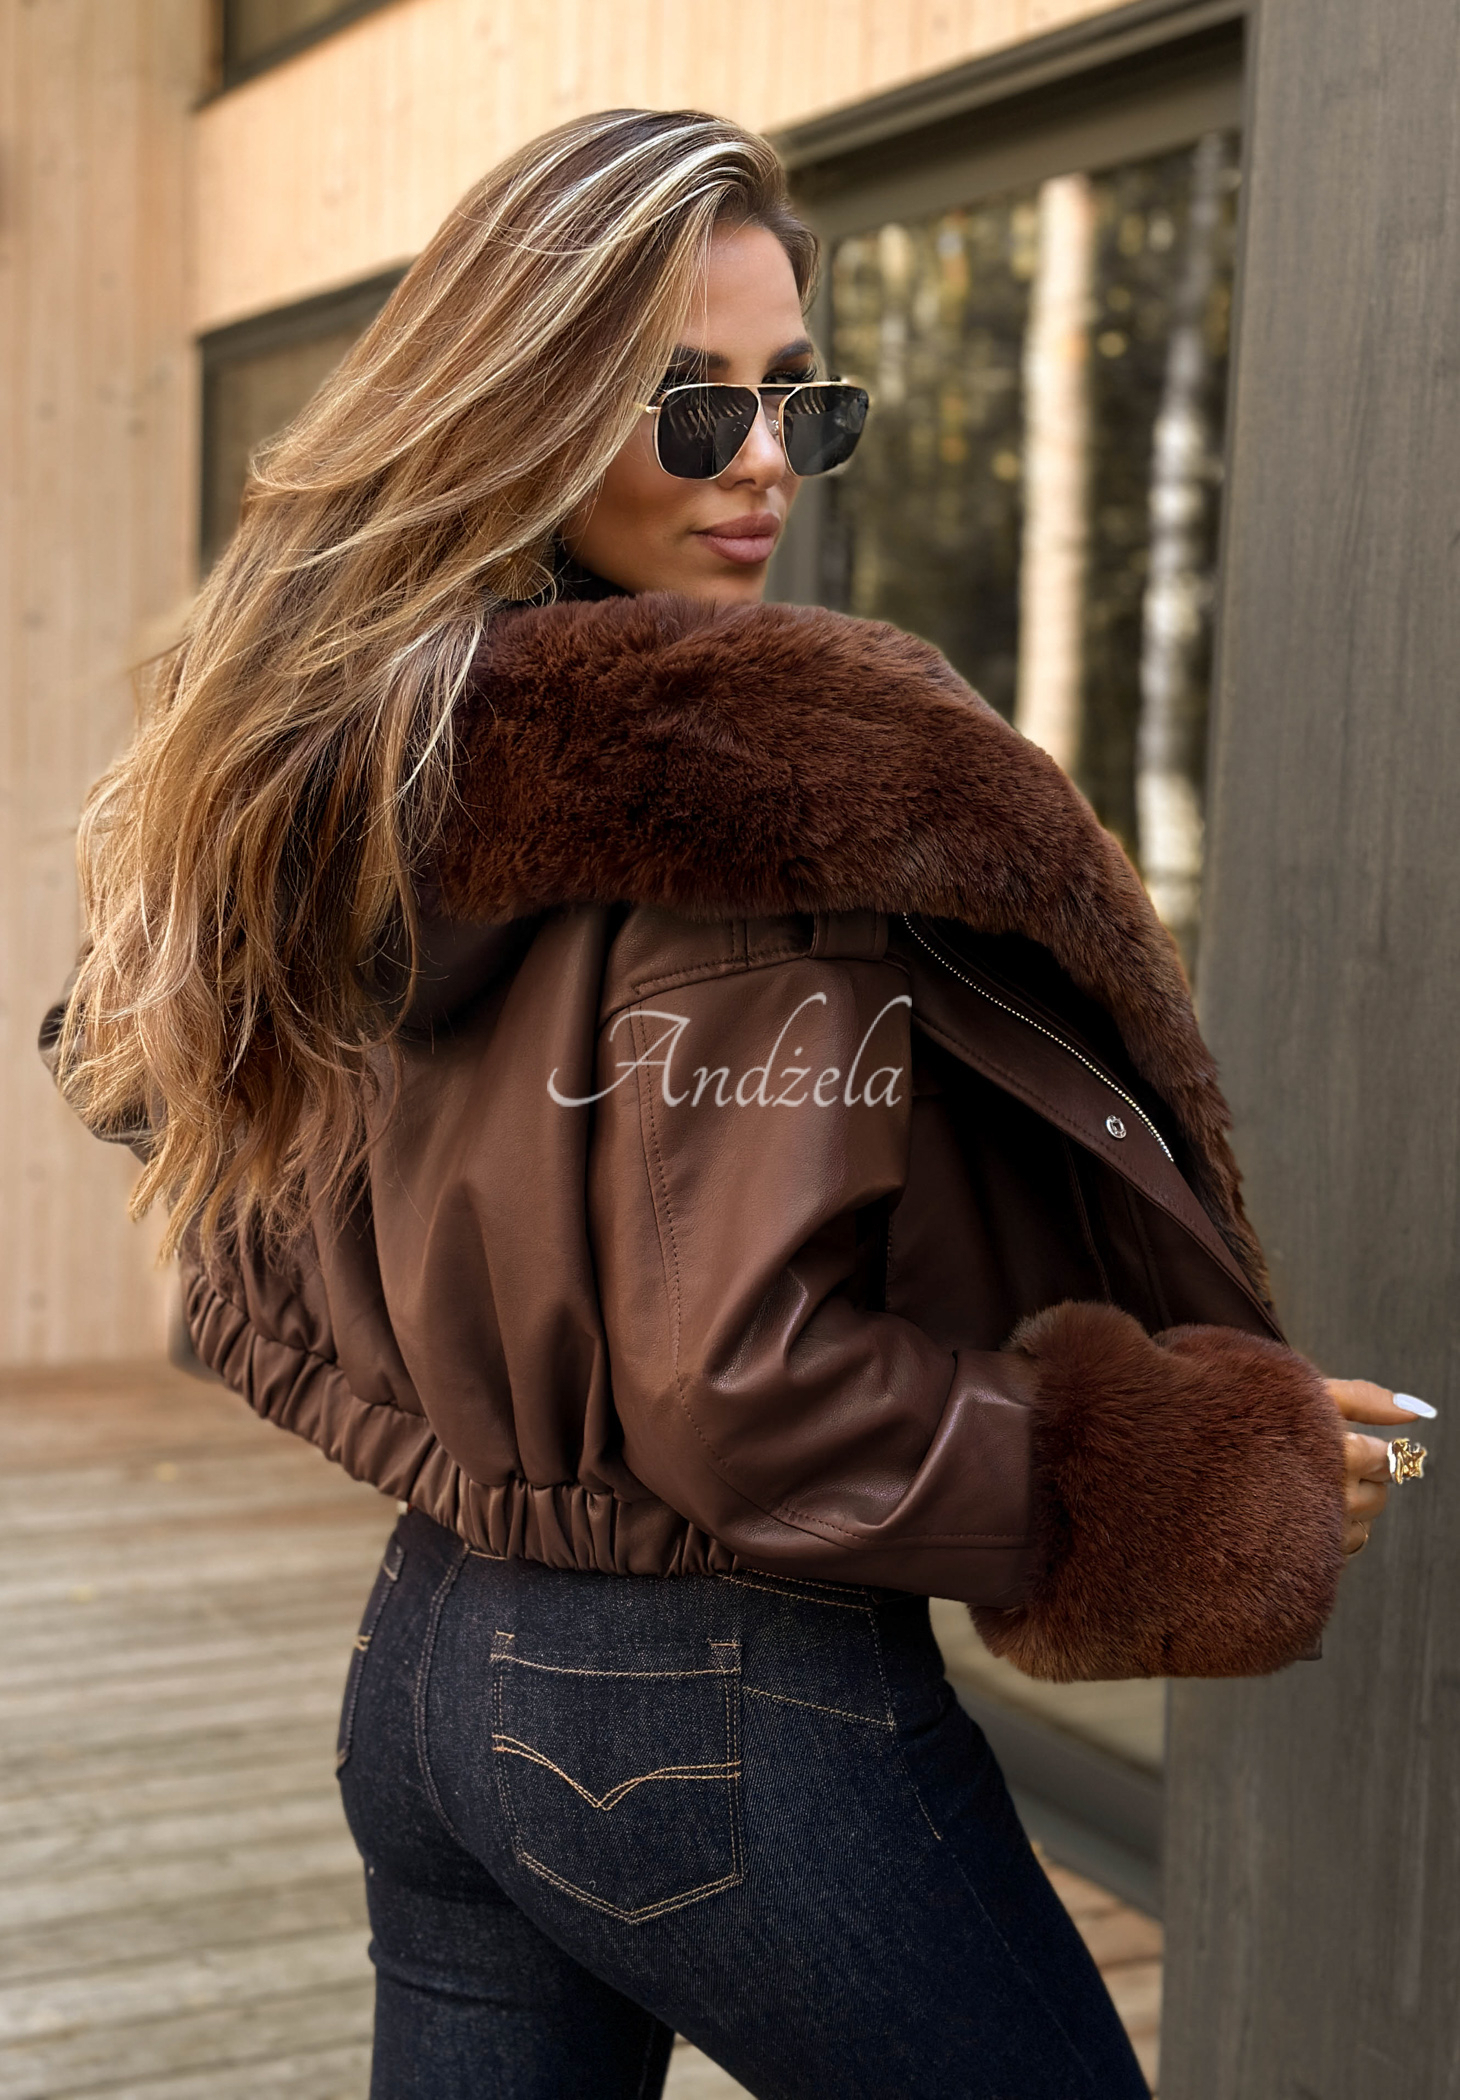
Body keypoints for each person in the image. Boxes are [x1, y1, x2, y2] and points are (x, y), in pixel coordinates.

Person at [48, 108, 1425, 2100]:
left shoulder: (343, 775)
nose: (764, 458)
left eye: (799, 400)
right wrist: (1168, 1474)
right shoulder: (765, 794)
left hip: (427, 1661)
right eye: (692, 408)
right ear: (529, 417)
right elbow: (741, 1391)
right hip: (718, 1707)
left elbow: (230, 1194)